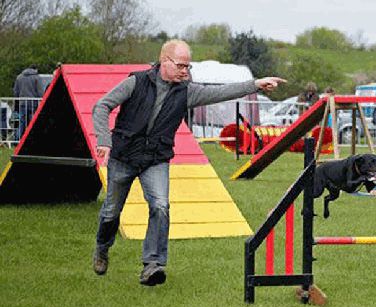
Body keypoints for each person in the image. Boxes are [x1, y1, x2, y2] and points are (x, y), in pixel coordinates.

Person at [91, 39, 286, 286]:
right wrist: (104, 140)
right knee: (111, 210)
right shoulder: (136, 82)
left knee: (160, 206)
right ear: (165, 61)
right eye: (182, 66)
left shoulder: (187, 91)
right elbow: (102, 106)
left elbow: (220, 92)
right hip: (124, 156)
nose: (186, 71)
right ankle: (102, 247)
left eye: (188, 66)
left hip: (155, 159)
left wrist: (255, 85)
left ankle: (153, 265)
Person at [13, 64, 44, 141]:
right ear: (35, 69)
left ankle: (17, 139)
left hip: (22, 103)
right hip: (33, 103)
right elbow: (40, 92)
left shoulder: (19, 77)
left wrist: (17, 102)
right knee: (32, 122)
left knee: (22, 122)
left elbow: (16, 92)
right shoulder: (37, 77)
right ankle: (32, 139)